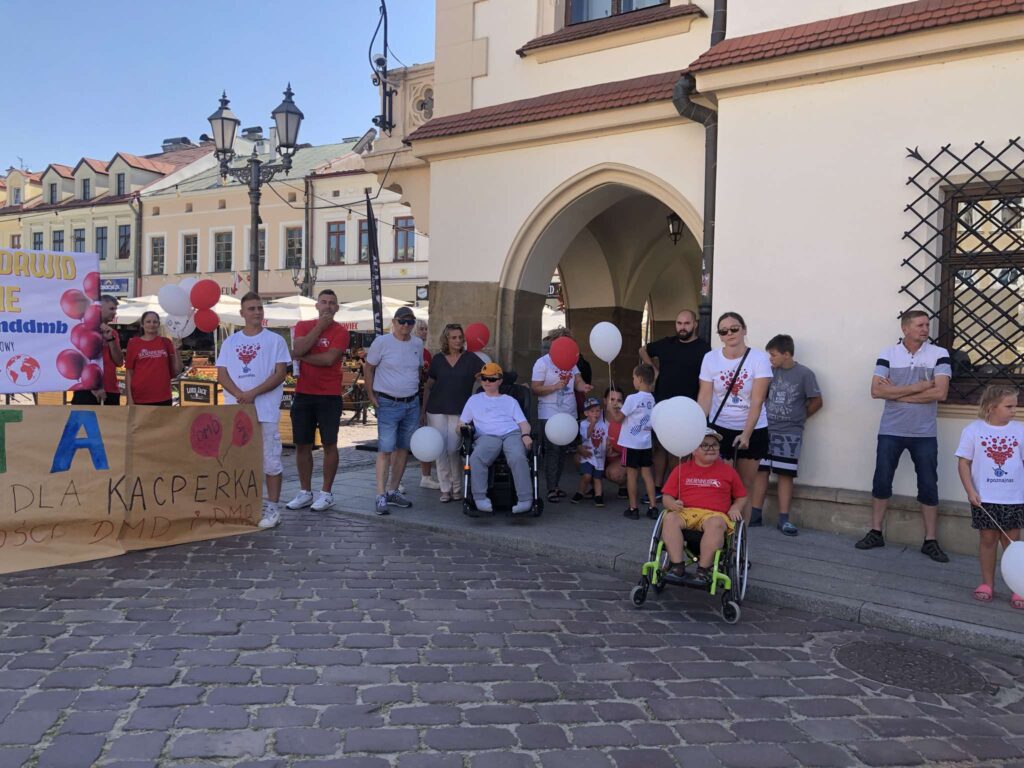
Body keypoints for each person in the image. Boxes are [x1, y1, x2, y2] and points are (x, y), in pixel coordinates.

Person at [857, 310, 951, 562]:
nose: (925, 329)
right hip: (891, 430)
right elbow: (876, 391)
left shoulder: (939, 354)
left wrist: (897, 393)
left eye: (927, 325)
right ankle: (876, 532)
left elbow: (940, 393)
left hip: (924, 432)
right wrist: (918, 387)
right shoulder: (888, 353)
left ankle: (930, 540)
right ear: (905, 329)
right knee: (882, 480)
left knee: (929, 484)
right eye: (920, 325)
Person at [217, 293, 290, 530]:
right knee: (239, 459)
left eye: (259, 308)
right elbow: (222, 374)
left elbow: (280, 374)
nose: (257, 312)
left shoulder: (275, 341)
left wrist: (253, 393)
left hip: (265, 411)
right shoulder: (230, 342)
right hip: (237, 411)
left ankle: (272, 505)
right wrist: (240, 394)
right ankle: (243, 503)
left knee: (270, 459)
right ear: (242, 313)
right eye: (251, 308)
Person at [698, 312, 772, 525]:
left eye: (734, 328)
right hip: (720, 427)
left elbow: (757, 401)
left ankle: (741, 536)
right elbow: (704, 396)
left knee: (744, 486)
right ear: (719, 335)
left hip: (753, 428)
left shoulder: (758, 359)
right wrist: (696, 428)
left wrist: (746, 434)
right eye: (723, 330)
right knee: (721, 484)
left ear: (744, 330)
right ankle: (720, 531)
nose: (729, 333)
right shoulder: (710, 359)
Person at [955, 384, 1023, 608]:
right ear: (992, 407)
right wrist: (970, 491)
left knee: (1012, 543)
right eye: (1009, 406)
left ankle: (1018, 586)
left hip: (1013, 497)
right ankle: (987, 583)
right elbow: (964, 462)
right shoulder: (973, 430)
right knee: (987, 540)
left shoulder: (1019, 430)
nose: (1015, 410)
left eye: (1015, 406)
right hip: (985, 498)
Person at [750, 335, 823, 536]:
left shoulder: (805, 374)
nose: (770, 359)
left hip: (789, 432)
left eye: (773, 355)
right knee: (761, 470)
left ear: (787, 354)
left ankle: (783, 518)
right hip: (765, 429)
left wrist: (799, 418)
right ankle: (755, 514)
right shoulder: (769, 372)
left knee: (785, 474)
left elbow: (817, 400)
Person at [286, 289, 348, 514]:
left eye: (332, 303)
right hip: (304, 393)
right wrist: (319, 328)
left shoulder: (341, 331)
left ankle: (326, 493)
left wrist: (301, 357)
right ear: (317, 305)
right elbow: (299, 347)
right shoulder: (303, 325)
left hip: (330, 395)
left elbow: (329, 359)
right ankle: (305, 492)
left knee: (330, 444)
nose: (328, 306)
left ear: (337, 308)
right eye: (324, 302)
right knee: (302, 444)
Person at [660, 428, 746, 587]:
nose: (711, 448)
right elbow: (666, 497)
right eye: (705, 445)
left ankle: (703, 570)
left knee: (716, 524)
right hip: (686, 512)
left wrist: (735, 508)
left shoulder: (728, 471)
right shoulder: (681, 470)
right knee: (669, 518)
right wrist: (671, 503)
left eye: (714, 445)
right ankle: (677, 566)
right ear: (693, 450)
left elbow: (741, 496)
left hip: (714, 515)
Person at [641, 308, 711, 490]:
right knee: (659, 448)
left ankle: (674, 489)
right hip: (662, 404)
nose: (682, 327)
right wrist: (653, 370)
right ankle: (657, 487)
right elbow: (642, 350)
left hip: (687, 408)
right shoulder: (667, 343)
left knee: (677, 451)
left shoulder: (704, 349)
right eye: (679, 323)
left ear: (695, 324)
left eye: (687, 323)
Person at [365, 306, 422, 515]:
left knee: (403, 449)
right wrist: (371, 395)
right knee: (385, 449)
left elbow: (417, 369)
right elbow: (369, 367)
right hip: (388, 402)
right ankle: (380, 495)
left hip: (411, 402)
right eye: (402, 321)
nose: (406, 326)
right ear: (394, 322)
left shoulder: (417, 343)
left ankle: (392, 490)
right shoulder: (382, 342)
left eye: (410, 322)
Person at [459, 362, 534, 514]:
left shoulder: (509, 400)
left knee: (517, 457)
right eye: (484, 379)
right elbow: (461, 423)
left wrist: (525, 435)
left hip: (511, 433)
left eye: (491, 379)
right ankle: (480, 498)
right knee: (477, 457)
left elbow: (524, 423)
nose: (487, 382)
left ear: (499, 381)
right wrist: (463, 429)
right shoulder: (474, 400)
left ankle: (525, 499)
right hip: (486, 435)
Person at [422, 322, 483, 502]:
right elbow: (428, 386)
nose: (458, 340)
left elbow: (487, 376)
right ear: (446, 339)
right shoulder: (438, 360)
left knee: (453, 449)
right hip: (436, 409)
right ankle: (445, 489)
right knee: (440, 450)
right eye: (454, 337)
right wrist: (422, 411)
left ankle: (457, 487)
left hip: (460, 411)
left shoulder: (470, 359)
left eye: (460, 337)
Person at [531, 329, 592, 503]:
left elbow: (578, 382)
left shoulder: (572, 363)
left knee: (562, 451)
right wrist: (555, 387)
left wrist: (583, 387)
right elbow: (535, 388)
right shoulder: (542, 363)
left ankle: (556, 485)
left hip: (568, 412)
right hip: (549, 412)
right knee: (552, 450)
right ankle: (551, 488)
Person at [620, 364, 658, 520]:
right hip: (645, 443)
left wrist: (612, 408)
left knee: (631, 476)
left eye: (634, 378)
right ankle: (653, 507)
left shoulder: (632, 398)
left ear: (640, 379)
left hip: (631, 443)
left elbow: (618, 418)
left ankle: (633, 508)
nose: (633, 380)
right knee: (647, 475)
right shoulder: (652, 399)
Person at [71, 295, 124, 405]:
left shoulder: (113, 333)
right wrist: (93, 386)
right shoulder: (83, 330)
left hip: (110, 389)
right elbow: (76, 362)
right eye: (111, 309)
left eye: (115, 309)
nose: (115, 313)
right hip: (87, 390)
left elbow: (119, 362)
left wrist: (111, 340)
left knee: (109, 422)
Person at [124, 311, 183, 406]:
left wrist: (176, 350)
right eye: (148, 321)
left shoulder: (166, 342)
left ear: (159, 324)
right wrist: (129, 398)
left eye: (155, 322)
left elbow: (177, 370)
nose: (152, 324)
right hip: (140, 397)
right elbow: (129, 373)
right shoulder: (133, 343)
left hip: (163, 396)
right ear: (142, 325)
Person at [414, 317, 440, 490]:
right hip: (409, 396)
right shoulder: (409, 350)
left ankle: (426, 476)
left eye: (426, 329)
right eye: (421, 328)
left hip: (424, 397)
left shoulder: (427, 353)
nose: (424, 332)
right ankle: (396, 480)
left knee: (425, 435)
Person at [572, 397, 607, 507]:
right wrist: (592, 424)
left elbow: (606, 438)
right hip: (587, 456)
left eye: (597, 411)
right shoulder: (583, 424)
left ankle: (598, 496)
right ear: (586, 413)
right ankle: (580, 492)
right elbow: (586, 435)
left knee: (597, 478)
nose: (595, 414)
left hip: (599, 456)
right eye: (592, 411)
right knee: (586, 476)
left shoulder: (603, 424)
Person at [602, 386, 628, 497]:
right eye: (611, 399)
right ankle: (595, 489)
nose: (615, 403)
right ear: (604, 401)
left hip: (619, 457)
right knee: (580, 459)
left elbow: (632, 448)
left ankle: (625, 485)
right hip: (600, 455)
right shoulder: (595, 415)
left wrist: (616, 450)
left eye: (619, 400)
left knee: (614, 473)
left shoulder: (627, 420)